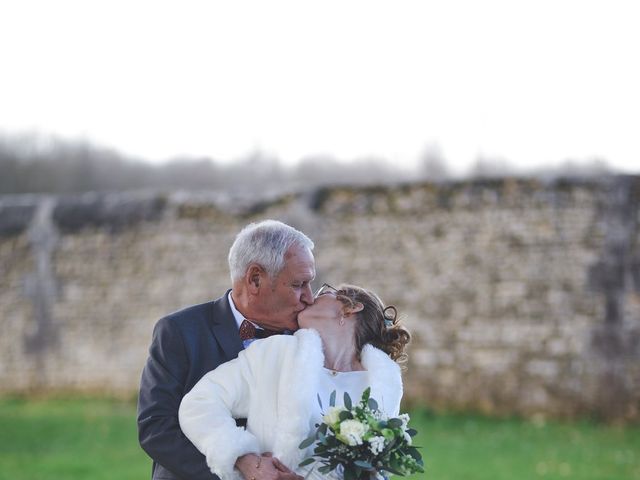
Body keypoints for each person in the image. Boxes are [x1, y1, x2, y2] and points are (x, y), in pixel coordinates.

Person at [137, 220, 316, 480]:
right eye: (299, 284)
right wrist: (238, 469)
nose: (309, 298)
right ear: (255, 279)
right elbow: (156, 427)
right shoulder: (179, 332)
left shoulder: (308, 340)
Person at [178, 283, 411, 480]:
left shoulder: (382, 384)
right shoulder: (275, 353)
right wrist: (244, 458)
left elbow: (371, 470)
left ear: (350, 308)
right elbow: (200, 403)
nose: (308, 299)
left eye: (323, 292)